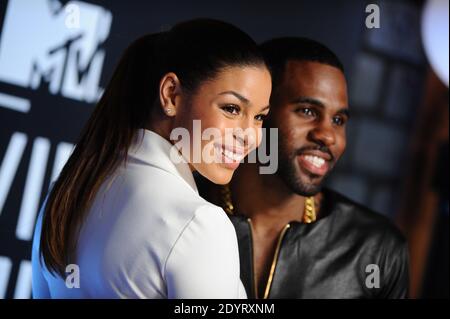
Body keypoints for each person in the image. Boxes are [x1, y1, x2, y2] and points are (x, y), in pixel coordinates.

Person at [31, 19, 272, 298]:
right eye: (231, 109)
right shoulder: (199, 223)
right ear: (171, 95)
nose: (251, 136)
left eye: (259, 117)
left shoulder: (65, 193)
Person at [198, 37, 409, 299]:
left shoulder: (376, 248)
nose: (328, 136)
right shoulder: (181, 211)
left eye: (338, 120)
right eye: (307, 111)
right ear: (257, 114)